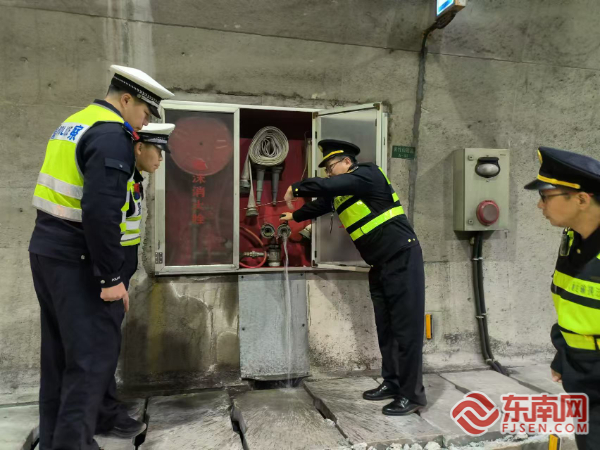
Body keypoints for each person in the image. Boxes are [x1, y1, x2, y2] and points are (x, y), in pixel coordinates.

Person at [29, 65, 173, 449]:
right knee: (90, 361)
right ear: (126, 99)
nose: (145, 122)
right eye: (145, 111)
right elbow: (100, 212)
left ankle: (56, 440)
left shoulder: (75, 122)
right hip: (77, 257)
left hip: (47, 248)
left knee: (59, 357)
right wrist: (110, 278)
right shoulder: (111, 136)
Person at [281, 139, 426, 415]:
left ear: (347, 162)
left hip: (402, 259)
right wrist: (295, 215)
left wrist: (297, 188)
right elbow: (323, 203)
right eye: (326, 170)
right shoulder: (345, 190)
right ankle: (393, 382)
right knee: (387, 330)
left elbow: (332, 186)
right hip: (380, 265)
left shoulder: (368, 174)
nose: (328, 174)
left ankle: (413, 395)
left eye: (330, 167)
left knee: (406, 330)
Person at [95, 123, 175, 438]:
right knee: (102, 343)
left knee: (107, 341)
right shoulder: (121, 179)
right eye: (158, 151)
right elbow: (105, 229)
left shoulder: (134, 179)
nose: (161, 160)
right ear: (139, 148)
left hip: (119, 270)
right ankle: (104, 414)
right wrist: (110, 278)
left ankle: (102, 408)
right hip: (110, 273)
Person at [525, 146, 600, 450]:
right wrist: (563, 354)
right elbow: (573, 306)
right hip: (581, 370)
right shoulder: (572, 238)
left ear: (581, 199)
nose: (540, 205)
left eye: (546, 197)